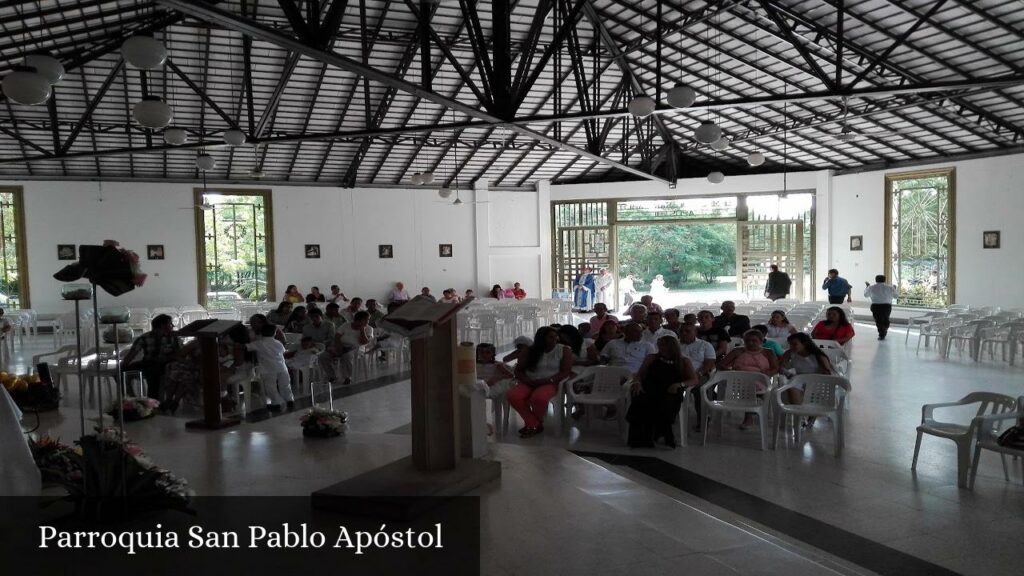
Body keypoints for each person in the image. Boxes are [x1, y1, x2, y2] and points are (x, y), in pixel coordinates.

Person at [628, 335, 697, 448]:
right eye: (659, 345)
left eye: (664, 345)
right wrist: (637, 383)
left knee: (666, 402)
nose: (661, 347)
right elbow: (639, 374)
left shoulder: (684, 361)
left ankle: (664, 431)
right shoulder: (652, 358)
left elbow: (694, 379)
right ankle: (643, 436)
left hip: (671, 390)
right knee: (640, 397)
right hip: (651, 387)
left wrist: (680, 384)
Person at [510, 326, 574, 438]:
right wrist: (528, 380)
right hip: (530, 381)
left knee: (538, 398)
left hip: (550, 381)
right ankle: (534, 424)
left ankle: (532, 425)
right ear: (541, 339)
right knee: (513, 395)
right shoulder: (530, 350)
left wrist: (548, 380)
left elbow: (565, 372)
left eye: (556, 337)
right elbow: (518, 370)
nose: (555, 339)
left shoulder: (564, 350)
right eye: (551, 337)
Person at [718, 329, 779, 429]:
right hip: (738, 380)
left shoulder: (768, 352)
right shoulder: (737, 351)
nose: (750, 343)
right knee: (747, 386)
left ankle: (749, 416)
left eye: (754, 341)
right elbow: (721, 364)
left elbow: (776, 368)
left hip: (760, 379)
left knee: (751, 386)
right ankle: (750, 414)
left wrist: (767, 373)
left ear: (761, 341)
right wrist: (732, 371)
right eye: (747, 341)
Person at [780, 333, 835, 427]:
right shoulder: (790, 353)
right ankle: (800, 415)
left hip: (817, 381)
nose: (792, 347)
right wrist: (788, 373)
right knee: (792, 387)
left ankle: (812, 416)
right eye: (790, 344)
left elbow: (827, 374)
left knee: (809, 388)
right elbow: (781, 368)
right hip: (799, 379)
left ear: (804, 344)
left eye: (794, 344)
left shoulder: (818, 356)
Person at [123, 314, 180, 402]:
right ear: (162, 325)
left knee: (154, 372)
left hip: (166, 363)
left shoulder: (173, 338)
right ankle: (131, 399)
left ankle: (153, 401)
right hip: (148, 363)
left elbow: (179, 353)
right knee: (121, 371)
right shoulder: (144, 338)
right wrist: (123, 366)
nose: (172, 326)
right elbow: (132, 354)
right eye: (170, 324)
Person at [247, 323, 293, 411]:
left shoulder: (258, 343)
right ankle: (289, 400)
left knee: (271, 387)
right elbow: (283, 351)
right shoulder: (278, 342)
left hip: (268, 369)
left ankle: (277, 403)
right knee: (285, 384)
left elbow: (246, 347)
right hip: (281, 367)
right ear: (274, 333)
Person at [678, 323, 717, 428]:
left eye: (687, 331)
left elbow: (710, 362)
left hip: (699, 374)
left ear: (695, 332)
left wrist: (699, 373)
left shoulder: (705, 345)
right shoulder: (675, 345)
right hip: (677, 375)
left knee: (699, 389)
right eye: (681, 331)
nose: (684, 333)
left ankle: (703, 419)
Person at [323, 310, 373, 385]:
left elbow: (364, 342)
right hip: (341, 345)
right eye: (367, 319)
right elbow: (337, 336)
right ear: (360, 320)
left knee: (346, 356)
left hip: (356, 348)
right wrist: (339, 346)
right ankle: (332, 376)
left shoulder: (369, 328)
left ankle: (347, 377)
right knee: (323, 356)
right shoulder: (346, 325)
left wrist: (362, 329)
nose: (368, 321)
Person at [864, 275, 898, 340]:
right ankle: (884, 329)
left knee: (878, 320)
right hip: (886, 306)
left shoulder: (871, 287)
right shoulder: (890, 287)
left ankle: (882, 334)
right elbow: (896, 296)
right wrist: (894, 289)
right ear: (884, 280)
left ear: (876, 280)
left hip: (876, 306)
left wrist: (867, 287)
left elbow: (866, 295)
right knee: (885, 319)